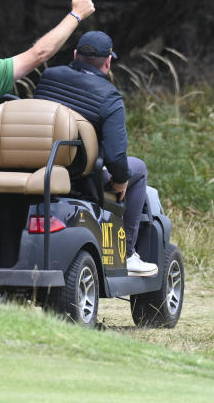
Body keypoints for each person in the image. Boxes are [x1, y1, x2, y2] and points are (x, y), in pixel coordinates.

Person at [33, 30, 158, 277]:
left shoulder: (48, 76)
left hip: (41, 165)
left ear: (75, 54)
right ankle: (129, 253)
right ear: (108, 61)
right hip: (81, 175)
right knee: (139, 169)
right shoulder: (109, 96)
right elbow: (115, 157)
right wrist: (121, 180)